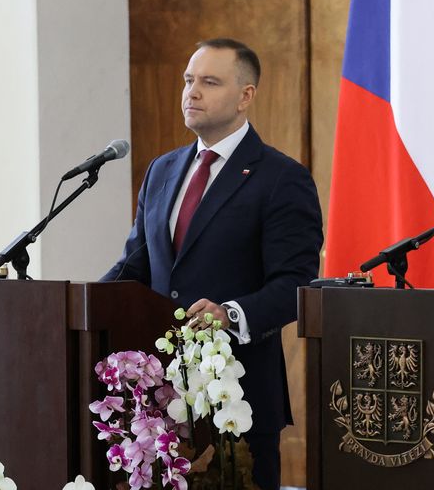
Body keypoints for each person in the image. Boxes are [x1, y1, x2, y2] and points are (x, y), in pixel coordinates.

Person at [103, 38, 323, 490]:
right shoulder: (162, 170)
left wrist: (231, 314)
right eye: (188, 80)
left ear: (245, 95)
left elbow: (296, 284)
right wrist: (75, 301)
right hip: (159, 403)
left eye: (209, 82)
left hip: (237, 400)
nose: (192, 92)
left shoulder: (281, 178)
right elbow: (134, 268)